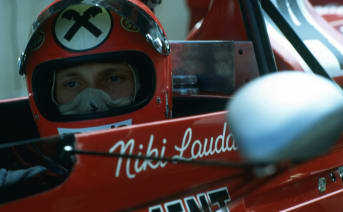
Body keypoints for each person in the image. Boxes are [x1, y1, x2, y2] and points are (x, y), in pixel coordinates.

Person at [1, 0, 172, 196]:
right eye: (72, 84)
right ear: (47, 93)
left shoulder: (200, 161)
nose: (92, 103)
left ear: (149, 84)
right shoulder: (23, 185)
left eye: (113, 78)